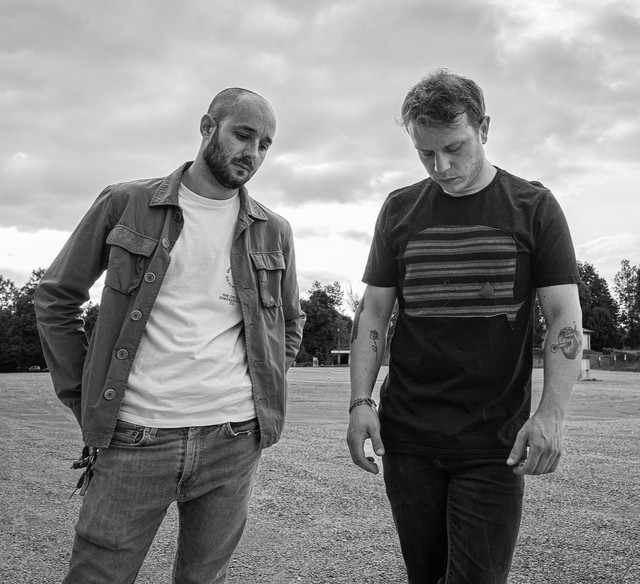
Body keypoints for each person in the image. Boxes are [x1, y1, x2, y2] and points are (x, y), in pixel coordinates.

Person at [35, 87, 306, 584]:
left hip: (234, 439)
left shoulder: (274, 230)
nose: (253, 152)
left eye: (265, 144)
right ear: (207, 127)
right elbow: (56, 298)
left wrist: (262, 384)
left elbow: (290, 321)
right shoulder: (126, 203)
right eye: (243, 135)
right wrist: (83, 396)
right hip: (134, 435)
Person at [347, 69, 582, 584]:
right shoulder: (399, 208)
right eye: (425, 153)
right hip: (408, 438)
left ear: (485, 128)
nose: (441, 167)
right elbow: (374, 312)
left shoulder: (533, 207)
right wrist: (360, 401)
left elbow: (564, 318)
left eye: (454, 148)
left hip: (493, 442)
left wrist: (552, 414)